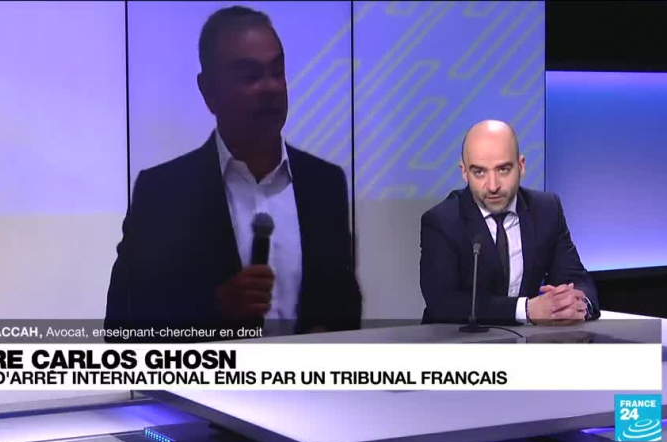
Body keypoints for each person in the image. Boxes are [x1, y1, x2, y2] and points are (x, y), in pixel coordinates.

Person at [105, 6, 361, 339]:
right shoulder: (162, 194)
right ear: (208, 91)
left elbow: (345, 303)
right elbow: (122, 327)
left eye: (277, 71)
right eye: (250, 76)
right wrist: (215, 309)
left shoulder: (324, 184)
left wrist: (327, 334)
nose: (270, 88)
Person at [419, 120, 599, 325]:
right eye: (479, 172)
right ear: (464, 172)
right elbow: (443, 302)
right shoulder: (442, 221)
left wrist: (577, 305)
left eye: (503, 169)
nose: (493, 186)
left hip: (528, 340)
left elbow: (576, 279)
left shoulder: (547, 209)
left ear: (521, 166)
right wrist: (526, 310)